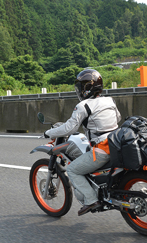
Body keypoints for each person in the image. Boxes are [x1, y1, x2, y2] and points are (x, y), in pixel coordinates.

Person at [44, 69, 121, 216]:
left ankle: (91, 200)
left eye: (80, 88)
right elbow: (117, 118)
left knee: (73, 170)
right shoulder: (109, 100)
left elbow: (69, 127)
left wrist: (49, 133)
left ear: (85, 89)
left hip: (103, 150)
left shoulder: (84, 106)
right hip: (116, 144)